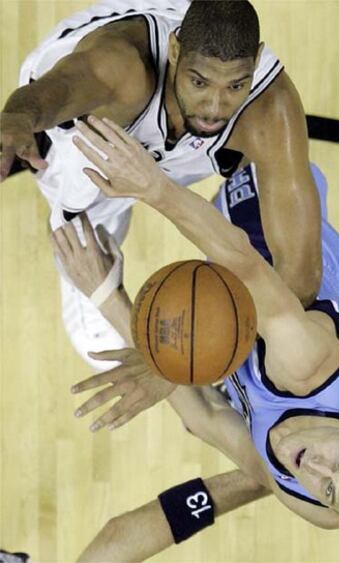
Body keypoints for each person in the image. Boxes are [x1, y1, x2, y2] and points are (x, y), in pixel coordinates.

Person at [49, 116, 339, 561]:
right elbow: (240, 261)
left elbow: (206, 418)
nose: (315, 468)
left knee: (111, 329)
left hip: (282, 341)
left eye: (330, 487)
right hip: (275, 248)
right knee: (244, 141)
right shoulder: (307, 365)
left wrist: (106, 292)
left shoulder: (323, 507)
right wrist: (151, 185)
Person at [0, 0, 321, 371]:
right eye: (199, 81)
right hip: (95, 130)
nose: (215, 106)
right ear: (174, 50)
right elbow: (61, 89)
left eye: (236, 84)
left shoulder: (268, 107)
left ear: (257, 59)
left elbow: (302, 275)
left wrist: (222, 343)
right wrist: (20, 116)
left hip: (181, 153)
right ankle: (83, 251)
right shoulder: (122, 70)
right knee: (98, 344)